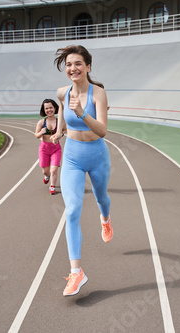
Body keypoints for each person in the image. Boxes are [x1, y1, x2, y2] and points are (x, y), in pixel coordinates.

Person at [50, 45, 112, 296]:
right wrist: (58, 131)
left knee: (102, 199)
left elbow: (102, 130)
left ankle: (105, 219)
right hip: (73, 157)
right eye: (68, 65)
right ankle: (77, 273)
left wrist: (82, 112)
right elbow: (63, 111)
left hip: (97, 155)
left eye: (77, 63)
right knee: (73, 209)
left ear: (88, 66)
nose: (72, 68)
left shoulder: (99, 94)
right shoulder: (62, 93)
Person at [35, 99, 65, 195]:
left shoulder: (59, 121)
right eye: (46, 108)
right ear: (44, 110)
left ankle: (52, 186)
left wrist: (59, 135)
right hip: (44, 149)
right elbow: (36, 135)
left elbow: (64, 130)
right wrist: (41, 132)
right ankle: (47, 177)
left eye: (51, 107)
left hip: (56, 148)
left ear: (55, 108)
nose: (49, 110)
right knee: (46, 171)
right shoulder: (41, 122)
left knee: (54, 170)